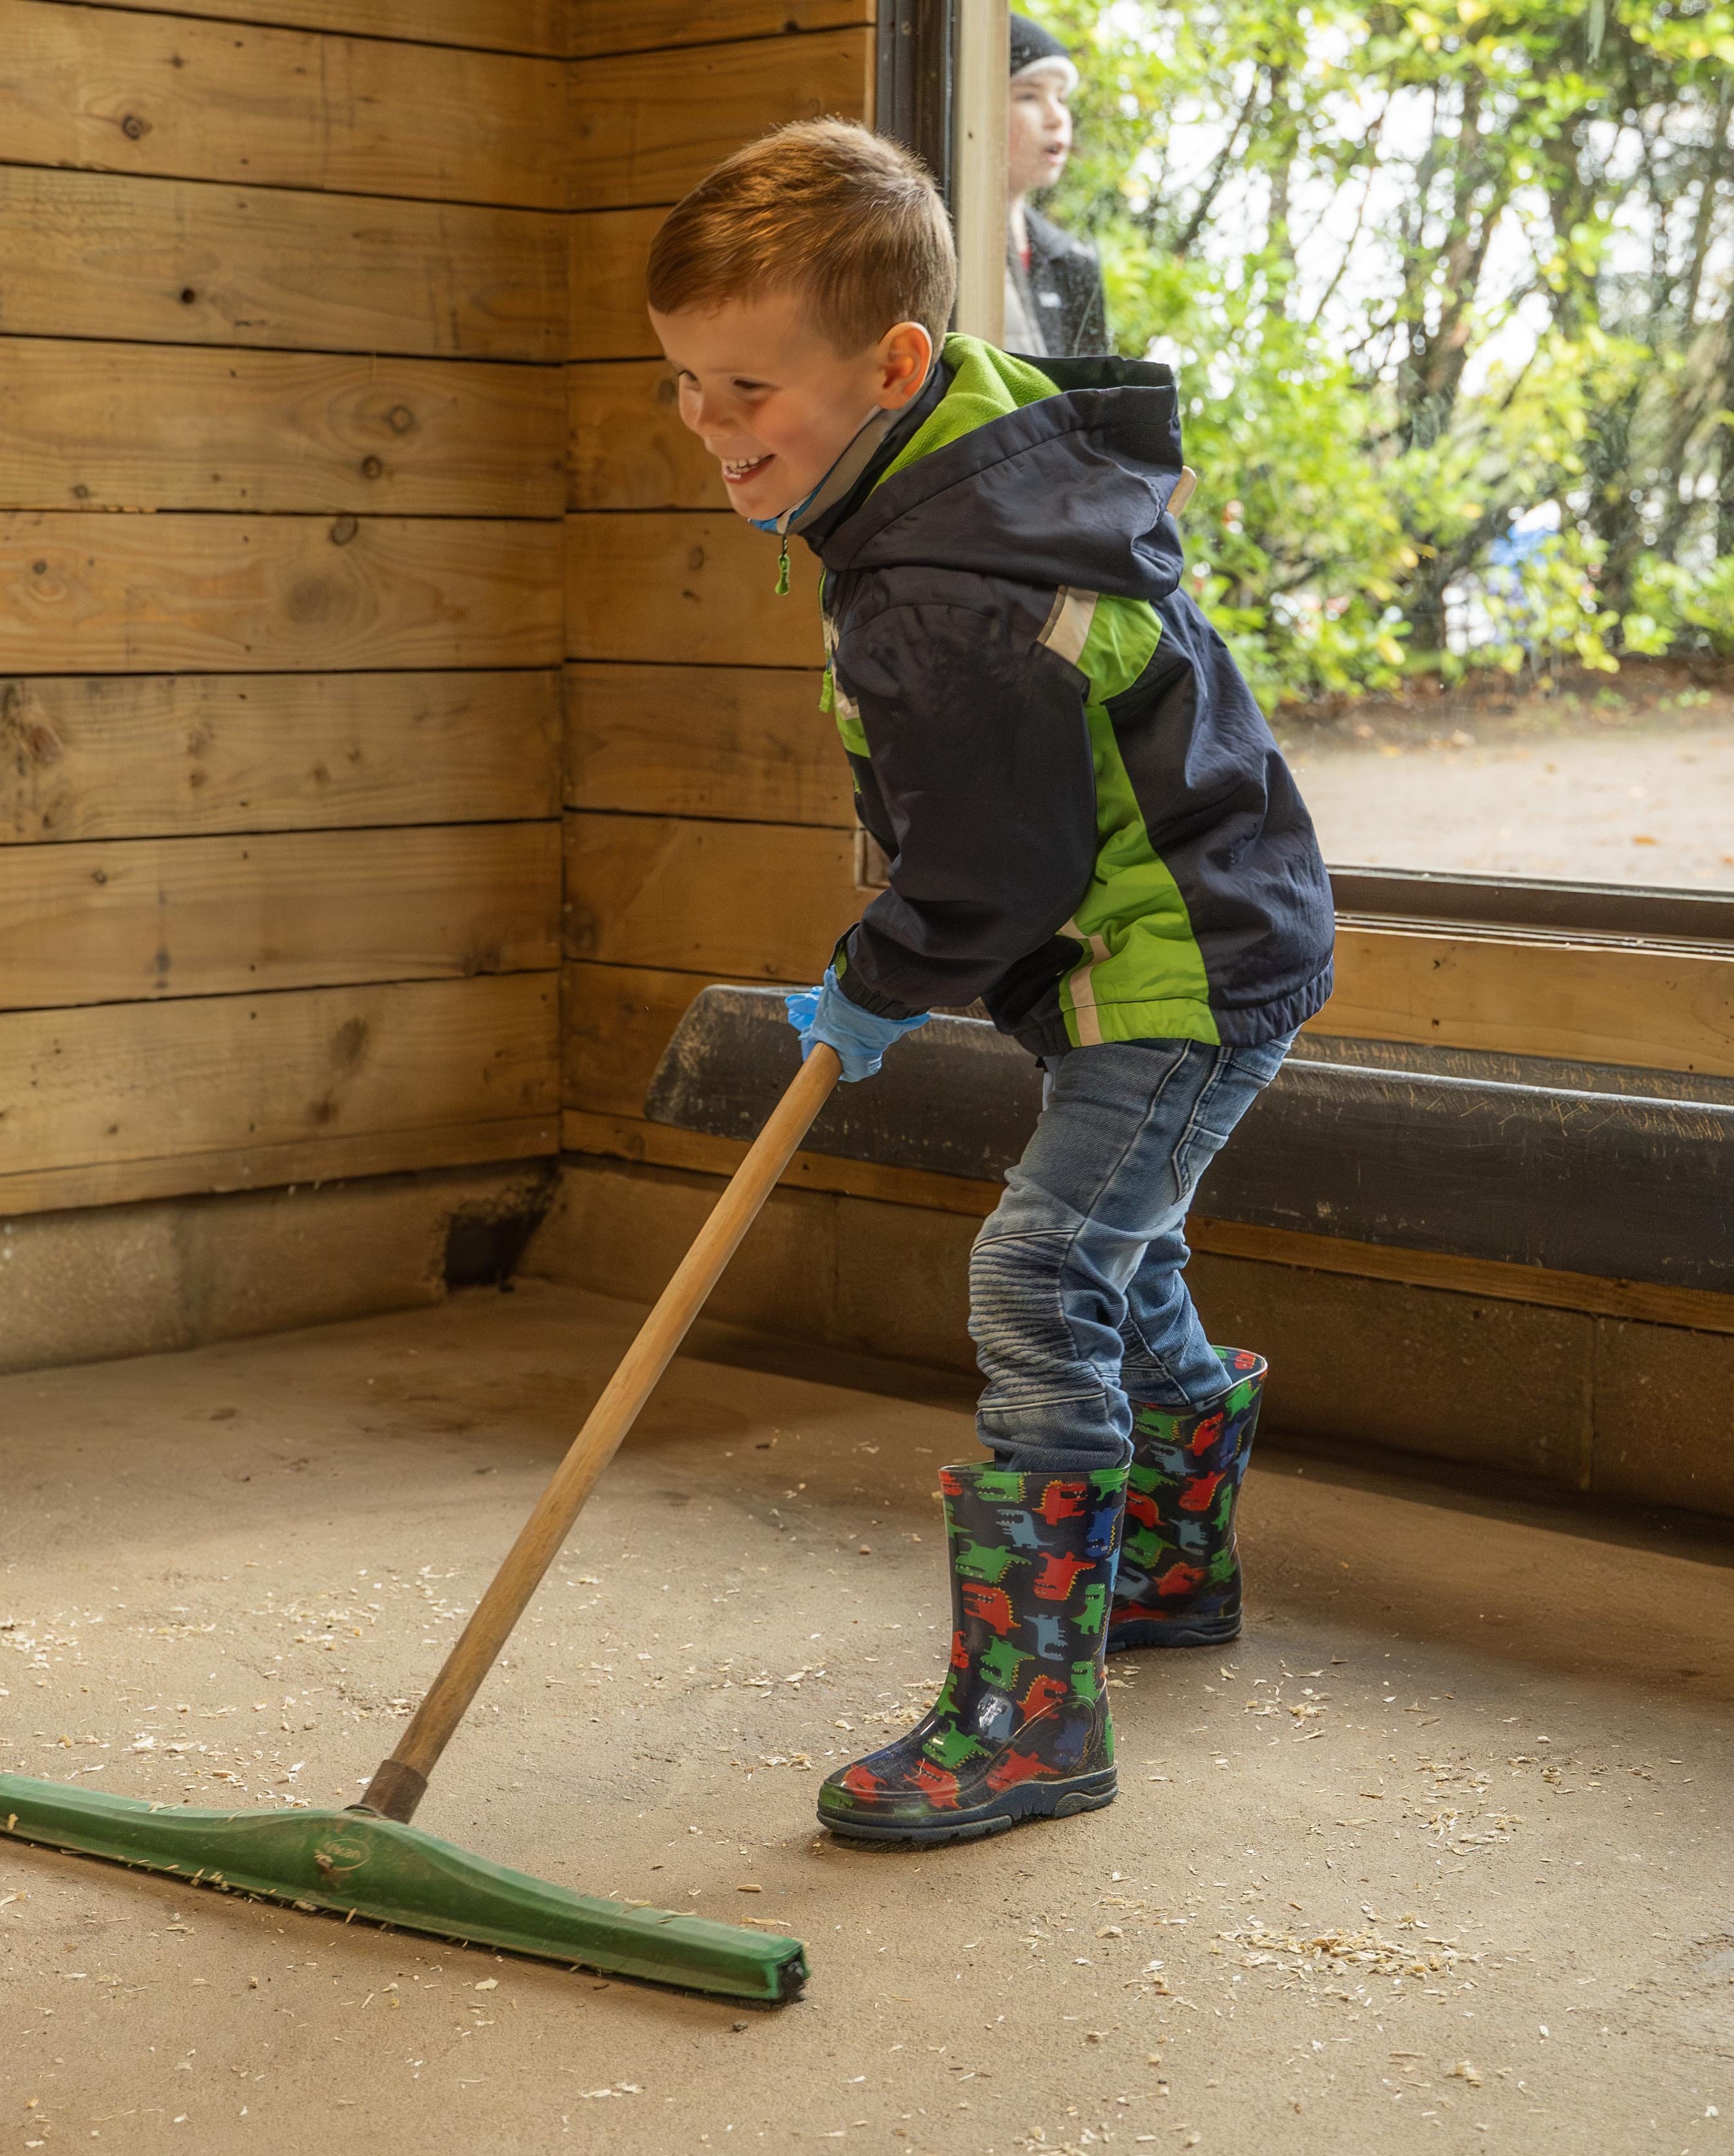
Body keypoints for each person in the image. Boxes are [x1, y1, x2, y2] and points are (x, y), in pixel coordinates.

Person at [645, 121, 1334, 1846]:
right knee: (1116, 1251)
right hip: (1189, 924)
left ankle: (1033, 1717)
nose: (708, 424)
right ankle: (1165, 1570)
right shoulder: (964, 463)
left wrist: (876, 979)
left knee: (1040, 1270)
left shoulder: (941, 588)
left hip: (1173, 960)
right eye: (685, 384)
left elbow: (992, 867)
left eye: (747, 389)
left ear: (892, 364)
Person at [1005, 13, 1107, 356]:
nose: (1057, 117)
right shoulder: (935, 239)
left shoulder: (1073, 261)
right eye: (1028, 96)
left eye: (1061, 98)